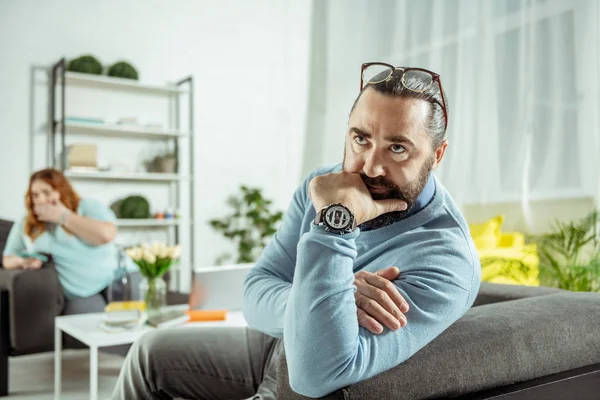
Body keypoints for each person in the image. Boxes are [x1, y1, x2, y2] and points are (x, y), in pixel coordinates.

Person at [111, 63, 481, 400]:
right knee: (148, 351)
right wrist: (332, 299)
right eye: (361, 139)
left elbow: (315, 373)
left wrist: (335, 224)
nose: (370, 168)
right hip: (275, 343)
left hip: (298, 376)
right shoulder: (324, 184)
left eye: (397, 148)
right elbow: (256, 290)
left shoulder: (447, 258)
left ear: (436, 155)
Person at [2, 168, 134, 317]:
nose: (40, 200)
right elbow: (7, 259)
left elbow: (106, 235)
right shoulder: (26, 224)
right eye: (35, 195)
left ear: (61, 190)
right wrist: (24, 261)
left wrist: (62, 217)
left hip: (117, 276)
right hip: (80, 292)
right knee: (90, 329)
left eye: (47, 192)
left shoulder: (86, 206)